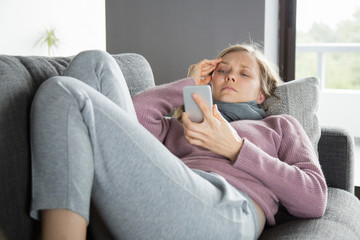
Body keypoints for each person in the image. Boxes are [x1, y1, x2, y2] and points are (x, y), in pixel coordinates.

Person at [30, 44, 327, 240]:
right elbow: (122, 122)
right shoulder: (180, 126)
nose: (230, 77)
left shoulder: (280, 126)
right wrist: (189, 87)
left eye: (244, 73)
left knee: (62, 91)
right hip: (158, 192)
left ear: (261, 95)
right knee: (94, 62)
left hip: (227, 209)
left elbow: (314, 199)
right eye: (222, 71)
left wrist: (236, 149)